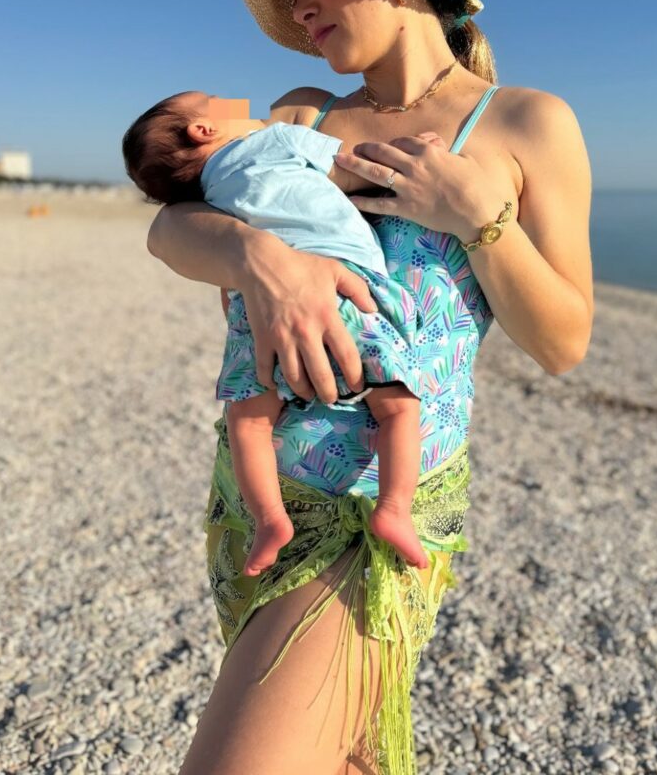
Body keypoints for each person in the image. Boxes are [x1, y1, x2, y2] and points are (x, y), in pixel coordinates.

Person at [146, 0, 594, 775]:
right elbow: (168, 230)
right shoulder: (300, 115)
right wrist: (260, 260)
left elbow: (563, 343)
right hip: (254, 500)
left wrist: (481, 219)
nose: (297, 6)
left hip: (375, 516)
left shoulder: (524, 124)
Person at [121, 90, 436, 574]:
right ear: (203, 129)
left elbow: (181, 239)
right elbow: (354, 172)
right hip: (346, 284)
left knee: (248, 420)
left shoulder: (206, 199)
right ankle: (393, 508)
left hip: (256, 310)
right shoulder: (278, 139)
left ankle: (269, 519)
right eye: (215, 99)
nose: (235, 100)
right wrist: (414, 156)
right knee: (397, 405)